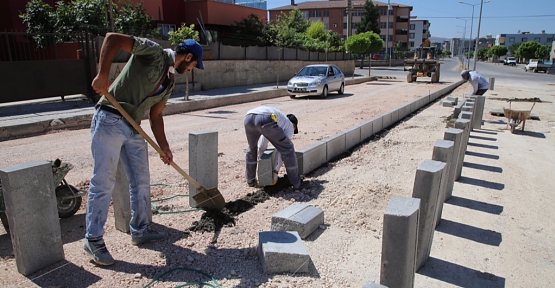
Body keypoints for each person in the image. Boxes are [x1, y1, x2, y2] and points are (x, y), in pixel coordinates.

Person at [85, 33, 204, 266]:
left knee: (141, 180)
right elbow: (112, 38)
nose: (191, 70)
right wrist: (102, 74)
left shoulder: (169, 82)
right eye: (192, 65)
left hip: (133, 127)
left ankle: (139, 228)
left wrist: (165, 147)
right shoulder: (154, 52)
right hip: (110, 118)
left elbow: (156, 115)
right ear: (187, 56)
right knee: (103, 180)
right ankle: (93, 239)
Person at [244, 106, 305, 192]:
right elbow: (283, 151)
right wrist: (275, 171)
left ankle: (250, 180)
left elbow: (261, 146)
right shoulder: (289, 126)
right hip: (265, 118)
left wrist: (264, 166)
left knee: (251, 147)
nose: (293, 130)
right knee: (288, 148)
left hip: (248, 117)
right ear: (293, 125)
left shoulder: (279, 121)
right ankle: (297, 183)